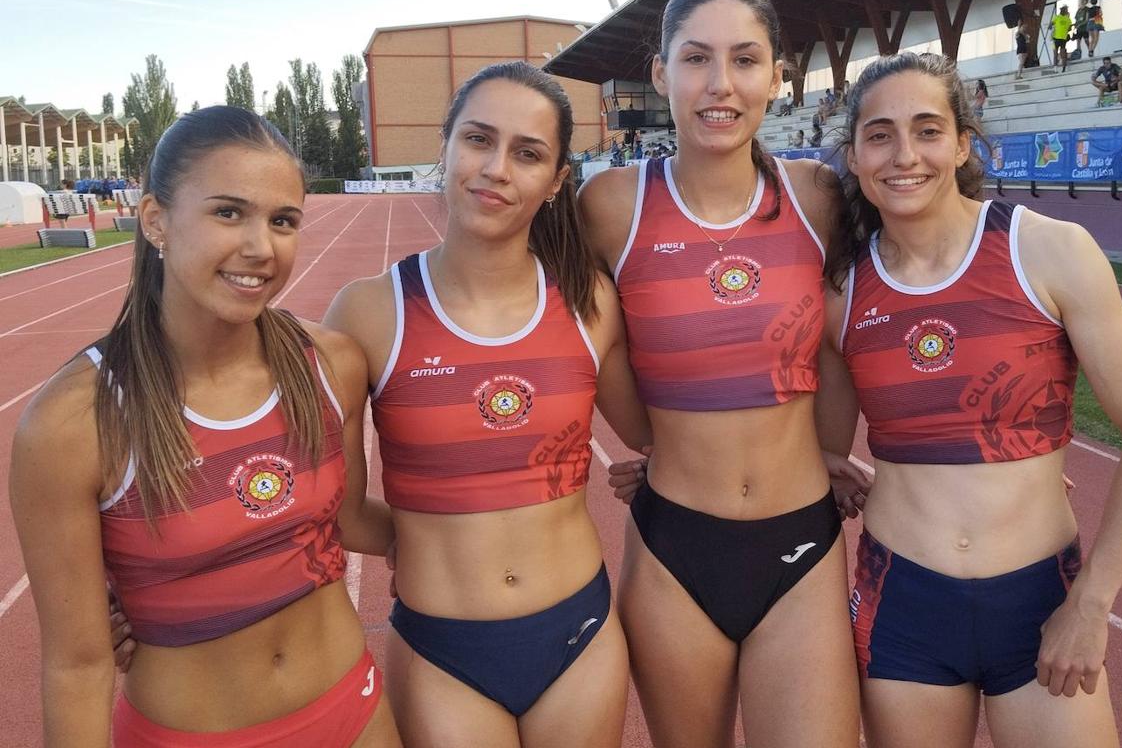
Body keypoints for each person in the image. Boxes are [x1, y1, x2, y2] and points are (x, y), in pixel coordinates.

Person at [822, 52, 1122, 748]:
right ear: (855, 155)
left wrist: (1092, 602)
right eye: (880, 135)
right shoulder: (844, 291)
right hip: (903, 606)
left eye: (928, 130)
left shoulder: (1047, 252)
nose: (905, 155)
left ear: (962, 144)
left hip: (1040, 600)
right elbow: (819, 447)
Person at [10, 106, 400, 747]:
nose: (259, 247)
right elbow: (78, 665)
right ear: (156, 219)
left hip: (353, 715)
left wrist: (491, 530)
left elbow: (352, 519)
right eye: (228, 212)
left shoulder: (331, 364)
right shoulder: (74, 422)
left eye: (283, 221)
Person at [324, 61, 651, 748]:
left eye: (528, 153)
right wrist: (429, 533)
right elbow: (338, 512)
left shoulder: (589, 303)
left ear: (558, 181)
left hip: (579, 638)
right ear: (444, 148)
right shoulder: (370, 311)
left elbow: (658, 434)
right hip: (444, 653)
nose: (496, 168)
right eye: (478, 139)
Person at [580, 0, 868, 748]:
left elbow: (862, 335)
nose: (720, 84)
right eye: (696, 58)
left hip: (801, 544)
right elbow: (572, 337)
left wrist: (833, 451)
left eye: (745, 60)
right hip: (675, 546)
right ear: (659, 72)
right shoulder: (612, 206)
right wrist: (652, 444)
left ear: (779, 74)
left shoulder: (817, 198)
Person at [1051, 6, 1072, 72]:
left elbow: (1070, 28)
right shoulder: (1057, 17)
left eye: (1066, 10)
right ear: (1062, 10)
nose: (1066, 11)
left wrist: (1068, 29)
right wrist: (1051, 26)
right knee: (1055, 53)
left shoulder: (1068, 19)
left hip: (1063, 38)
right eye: (1065, 9)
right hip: (1056, 37)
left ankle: (1063, 68)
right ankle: (1055, 68)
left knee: (1063, 53)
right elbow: (1051, 24)